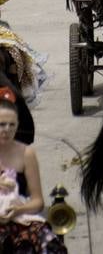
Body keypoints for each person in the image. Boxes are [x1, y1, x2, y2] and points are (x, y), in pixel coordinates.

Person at [0, 95, 67, 253]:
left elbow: (37, 201)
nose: (7, 130)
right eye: (2, 125)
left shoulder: (26, 153)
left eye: (12, 125)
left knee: (47, 244)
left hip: (19, 217)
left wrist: (18, 210)